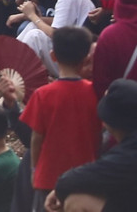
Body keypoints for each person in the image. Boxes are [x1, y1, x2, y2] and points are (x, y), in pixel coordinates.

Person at [20, 25, 101, 207]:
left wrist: (34, 169)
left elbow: (36, 138)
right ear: (86, 58)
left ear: (53, 56)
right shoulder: (95, 93)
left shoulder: (42, 95)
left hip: (49, 177)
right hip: (85, 176)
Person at [49, 79, 137, 212]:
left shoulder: (129, 155)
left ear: (109, 121)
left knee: (76, 201)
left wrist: (59, 190)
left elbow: (70, 182)